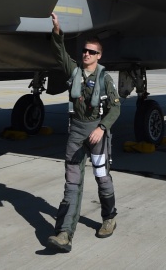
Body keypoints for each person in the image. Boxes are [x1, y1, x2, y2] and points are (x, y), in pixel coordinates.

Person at [46, 13, 120, 253]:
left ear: (99, 55)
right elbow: (60, 54)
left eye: (91, 51)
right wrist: (57, 31)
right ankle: (65, 233)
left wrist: (102, 128)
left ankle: (109, 218)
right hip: (76, 133)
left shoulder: (105, 79)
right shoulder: (74, 72)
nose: (85, 54)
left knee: (102, 177)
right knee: (72, 183)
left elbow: (115, 107)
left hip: (97, 134)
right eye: (84, 51)